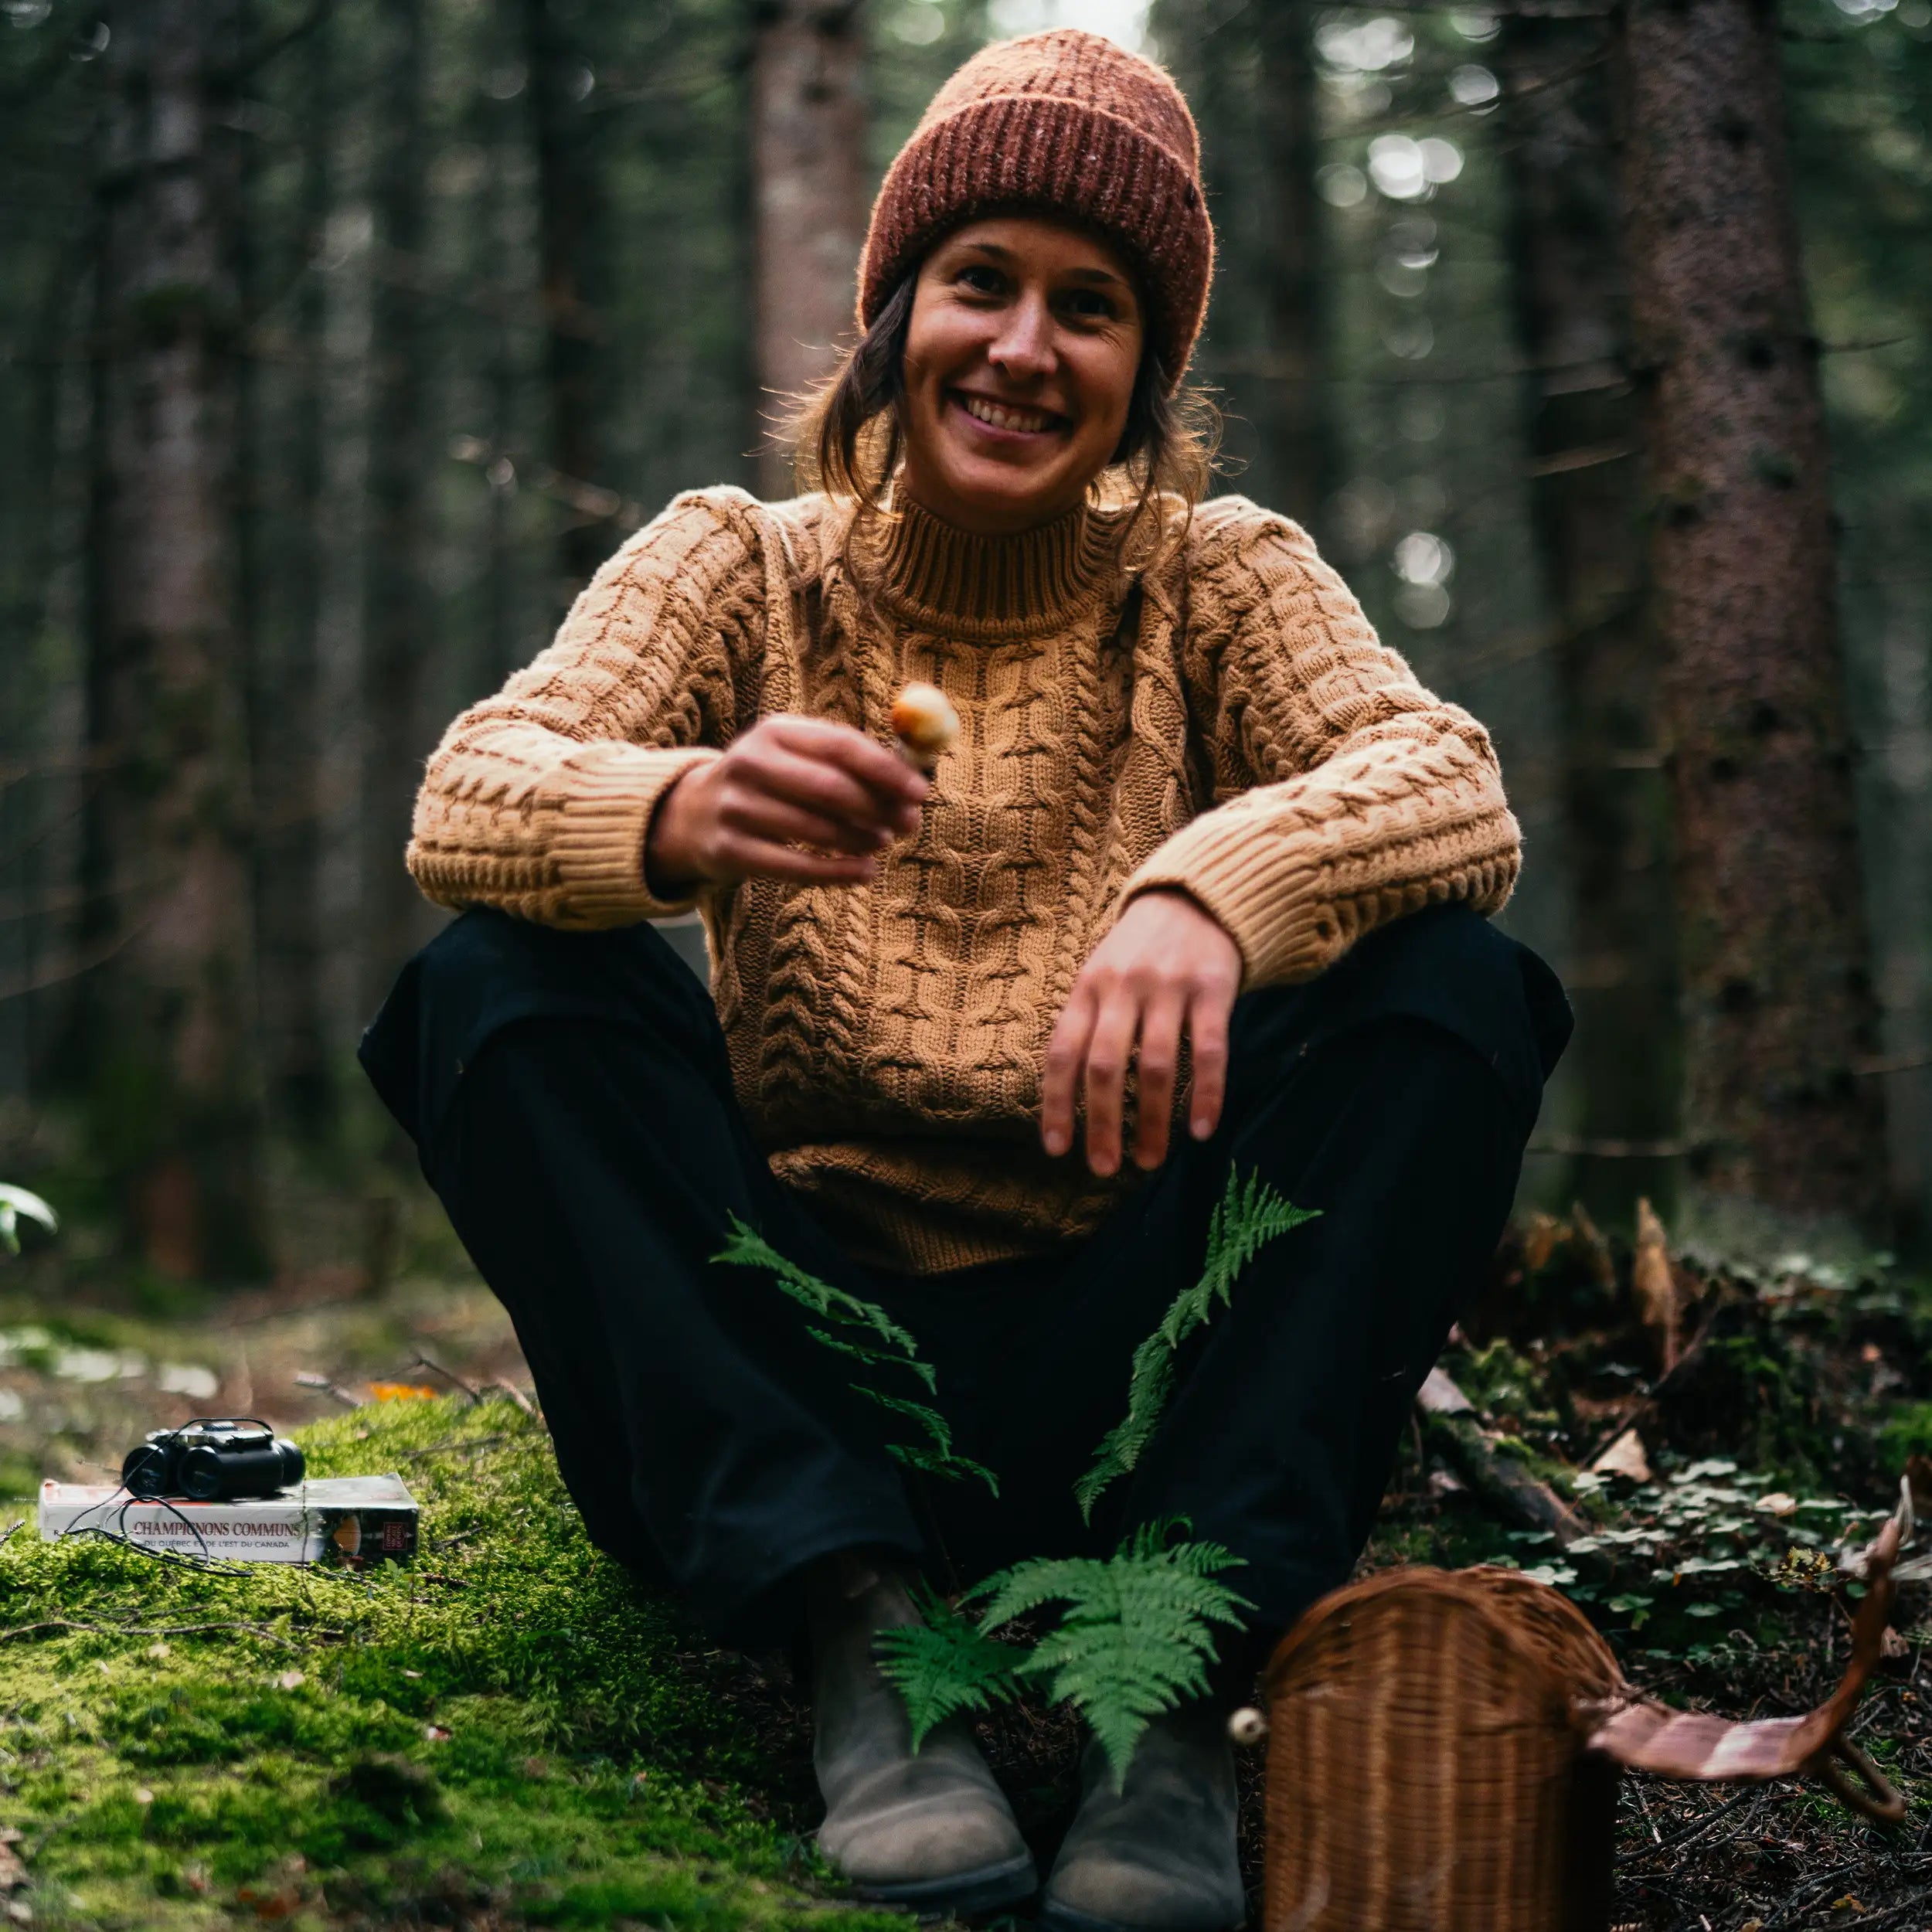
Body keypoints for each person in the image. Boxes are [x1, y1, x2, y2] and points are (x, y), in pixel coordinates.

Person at [360, 28, 1571, 1932]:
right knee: (494, 983)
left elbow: (1447, 782)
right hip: (803, 1342)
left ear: (1143, 375)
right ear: (891, 314)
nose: (1022, 346)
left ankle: (1163, 1679)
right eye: (979, 282)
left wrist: (1211, 888)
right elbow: (468, 793)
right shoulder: (738, 568)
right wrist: (671, 805)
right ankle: (861, 1630)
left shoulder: (1213, 577)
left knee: (1452, 987)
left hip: (1141, 1347)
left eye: (1087, 309)